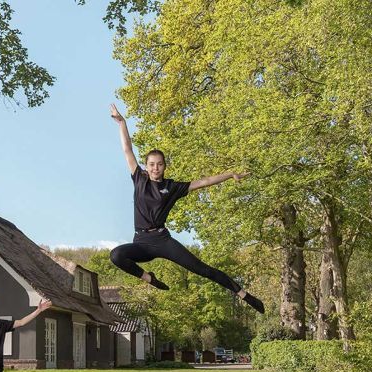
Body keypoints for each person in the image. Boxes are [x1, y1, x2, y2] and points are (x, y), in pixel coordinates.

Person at [108, 103, 265, 314]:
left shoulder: (172, 187)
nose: (156, 168)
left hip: (163, 241)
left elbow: (204, 181)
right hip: (141, 242)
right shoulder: (139, 179)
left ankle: (243, 294)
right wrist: (122, 123)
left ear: (164, 166)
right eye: (152, 164)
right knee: (116, 255)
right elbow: (127, 149)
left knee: (203, 270)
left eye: (160, 164)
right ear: (147, 166)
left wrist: (229, 174)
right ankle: (149, 278)